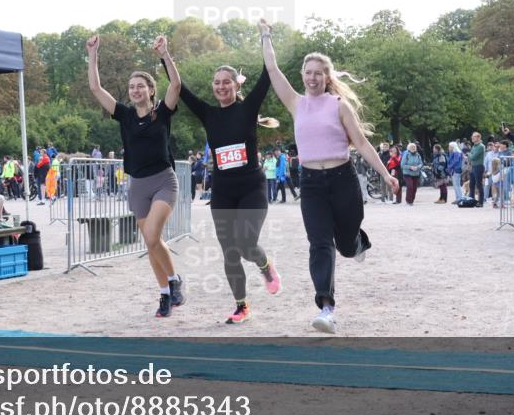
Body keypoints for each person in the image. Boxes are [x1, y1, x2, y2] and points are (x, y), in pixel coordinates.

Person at [260, 19, 398, 334]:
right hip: (311, 184)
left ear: (327, 76)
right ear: (302, 76)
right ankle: (326, 307)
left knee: (346, 247)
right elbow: (272, 70)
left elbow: (361, 143)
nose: (312, 77)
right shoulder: (296, 103)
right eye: (307, 72)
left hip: (342, 180)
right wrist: (266, 35)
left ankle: (358, 242)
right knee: (320, 244)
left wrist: (386, 175)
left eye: (318, 73)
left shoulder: (339, 105)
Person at [177, 56, 283, 325]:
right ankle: (241, 306)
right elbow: (180, 88)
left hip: (251, 188)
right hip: (223, 192)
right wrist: (165, 56)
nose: (221, 87)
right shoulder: (208, 114)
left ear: (236, 85)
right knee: (230, 252)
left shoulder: (247, 109)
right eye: (217, 83)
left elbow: (268, 72)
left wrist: (266, 37)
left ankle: (265, 265)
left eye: (227, 82)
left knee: (247, 245)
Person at [87, 33, 185, 318]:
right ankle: (166, 292)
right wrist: (93, 54)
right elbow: (95, 88)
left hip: (164, 181)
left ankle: (175, 280)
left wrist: (165, 54)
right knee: (151, 242)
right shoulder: (125, 115)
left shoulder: (162, 113)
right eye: (131, 87)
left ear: (151, 90)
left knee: (153, 235)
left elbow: (176, 84)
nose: (135, 90)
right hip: (137, 185)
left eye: (140, 86)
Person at [468, 132, 485, 206]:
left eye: (474, 137)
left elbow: (473, 157)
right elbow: (471, 158)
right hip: (473, 166)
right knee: (471, 184)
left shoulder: (481, 146)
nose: (472, 138)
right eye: (472, 137)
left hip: (478, 166)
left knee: (479, 185)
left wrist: (469, 154)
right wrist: (470, 155)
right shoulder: (474, 146)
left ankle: (480, 202)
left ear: (478, 138)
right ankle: (471, 200)